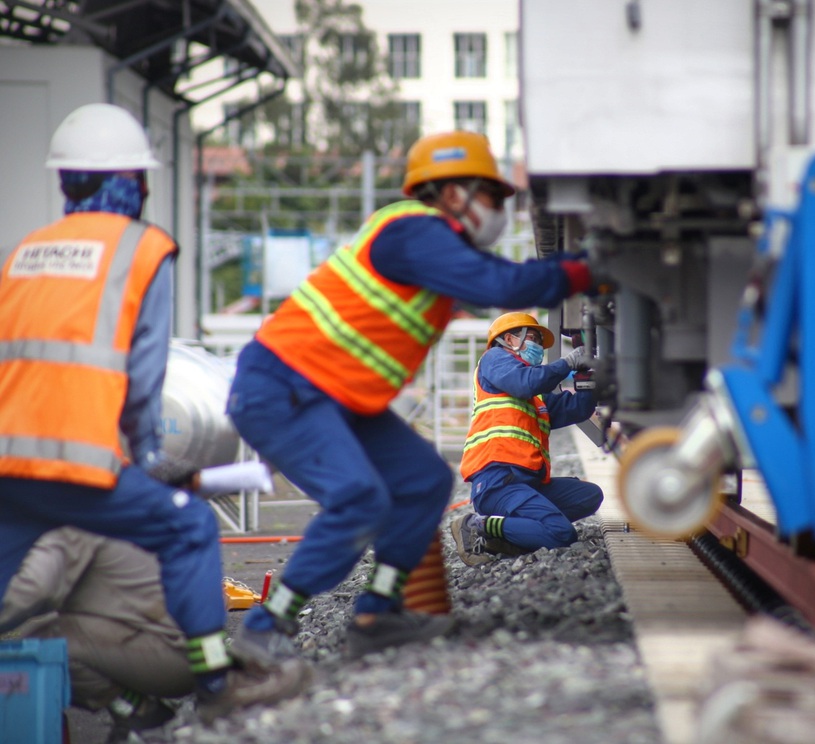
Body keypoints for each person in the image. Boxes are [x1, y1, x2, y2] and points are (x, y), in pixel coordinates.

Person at [225, 130, 594, 662]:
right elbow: (504, 285)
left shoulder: (430, 250)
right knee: (359, 499)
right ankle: (266, 626)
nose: (497, 212)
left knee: (423, 481)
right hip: (284, 386)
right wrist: (589, 268)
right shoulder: (412, 231)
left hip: (334, 396)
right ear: (452, 194)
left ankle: (378, 615)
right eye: (490, 197)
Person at [0, 103, 307, 726]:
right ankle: (217, 680)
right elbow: (143, 377)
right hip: (83, 461)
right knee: (189, 525)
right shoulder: (142, 249)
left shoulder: (24, 252)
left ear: (66, 181)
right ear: (133, 181)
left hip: (10, 459)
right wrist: (144, 457)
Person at [0, 528, 190, 742]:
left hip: (170, 652)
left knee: (41, 644)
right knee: (46, 633)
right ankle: (144, 712)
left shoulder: (67, 523)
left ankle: (142, 714)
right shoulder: (92, 510)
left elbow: (30, 592)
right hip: (176, 642)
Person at [451, 312, 604, 565]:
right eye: (532, 338)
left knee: (589, 496)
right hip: (498, 482)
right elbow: (526, 382)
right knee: (561, 533)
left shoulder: (536, 399)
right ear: (509, 339)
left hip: (527, 483)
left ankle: (512, 534)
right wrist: (567, 363)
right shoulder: (494, 359)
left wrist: (587, 376)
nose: (537, 347)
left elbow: (578, 408)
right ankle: (478, 525)